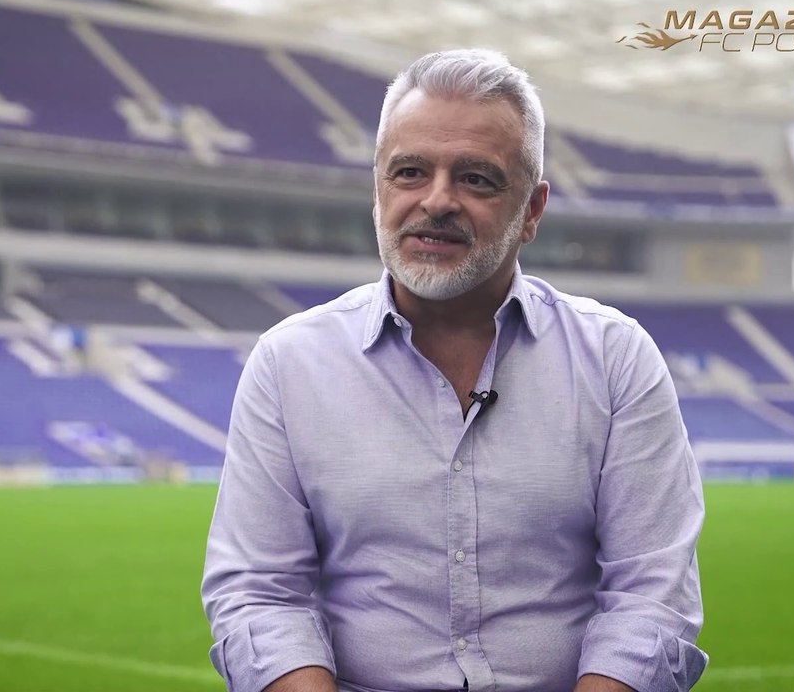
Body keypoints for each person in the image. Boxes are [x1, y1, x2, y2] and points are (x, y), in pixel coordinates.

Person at [202, 49, 707, 692]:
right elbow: (260, 595)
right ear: (378, 189)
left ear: (531, 210)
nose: (436, 201)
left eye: (477, 179)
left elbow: (650, 596)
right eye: (409, 172)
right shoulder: (288, 364)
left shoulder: (616, 358)